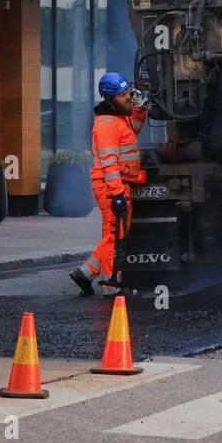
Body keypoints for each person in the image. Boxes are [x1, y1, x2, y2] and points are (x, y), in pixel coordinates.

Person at [70, 73, 148, 296]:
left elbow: (135, 126)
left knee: (113, 235)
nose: (128, 98)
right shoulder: (106, 124)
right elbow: (109, 162)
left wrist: (140, 107)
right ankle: (110, 284)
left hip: (119, 184)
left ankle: (85, 274)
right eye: (122, 95)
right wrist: (117, 194)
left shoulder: (121, 116)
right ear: (109, 98)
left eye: (127, 93)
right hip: (111, 186)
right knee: (115, 237)